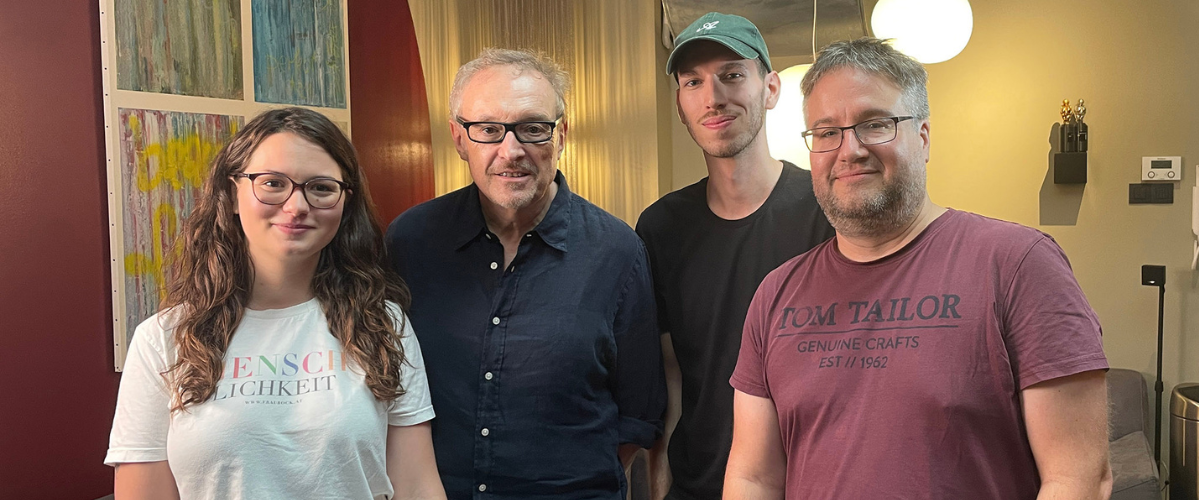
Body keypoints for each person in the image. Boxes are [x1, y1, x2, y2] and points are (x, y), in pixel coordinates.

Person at [724, 38, 1112, 499]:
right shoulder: (775, 295)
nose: (849, 150)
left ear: (923, 137)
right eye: (826, 132)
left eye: (875, 124)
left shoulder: (1019, 265)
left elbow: (1078, 479)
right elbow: (754, 477)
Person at [105, 107, 445, 500]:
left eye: (320, 187)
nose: (297, 206)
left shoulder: (384, 324)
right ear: (233, 194)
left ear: (344, 203)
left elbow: (417, 487)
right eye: (272, 183)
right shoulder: (162, 339)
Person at [385, 48, 666, 500]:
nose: (510, 151)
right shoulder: (410, 241)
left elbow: (638, 412)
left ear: (562, 136)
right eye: (488, 130)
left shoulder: (617, 251)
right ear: (459, 139)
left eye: (533, 128)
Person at [635, 12, 834, 500]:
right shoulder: (660, 227)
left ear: (769, 89)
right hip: (698, 484)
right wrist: (662, 479)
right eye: (693, 82)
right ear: (680, 106)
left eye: (731, 75)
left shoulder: (826, 210)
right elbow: (672, 372)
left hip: (809, 483)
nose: (713, 97)